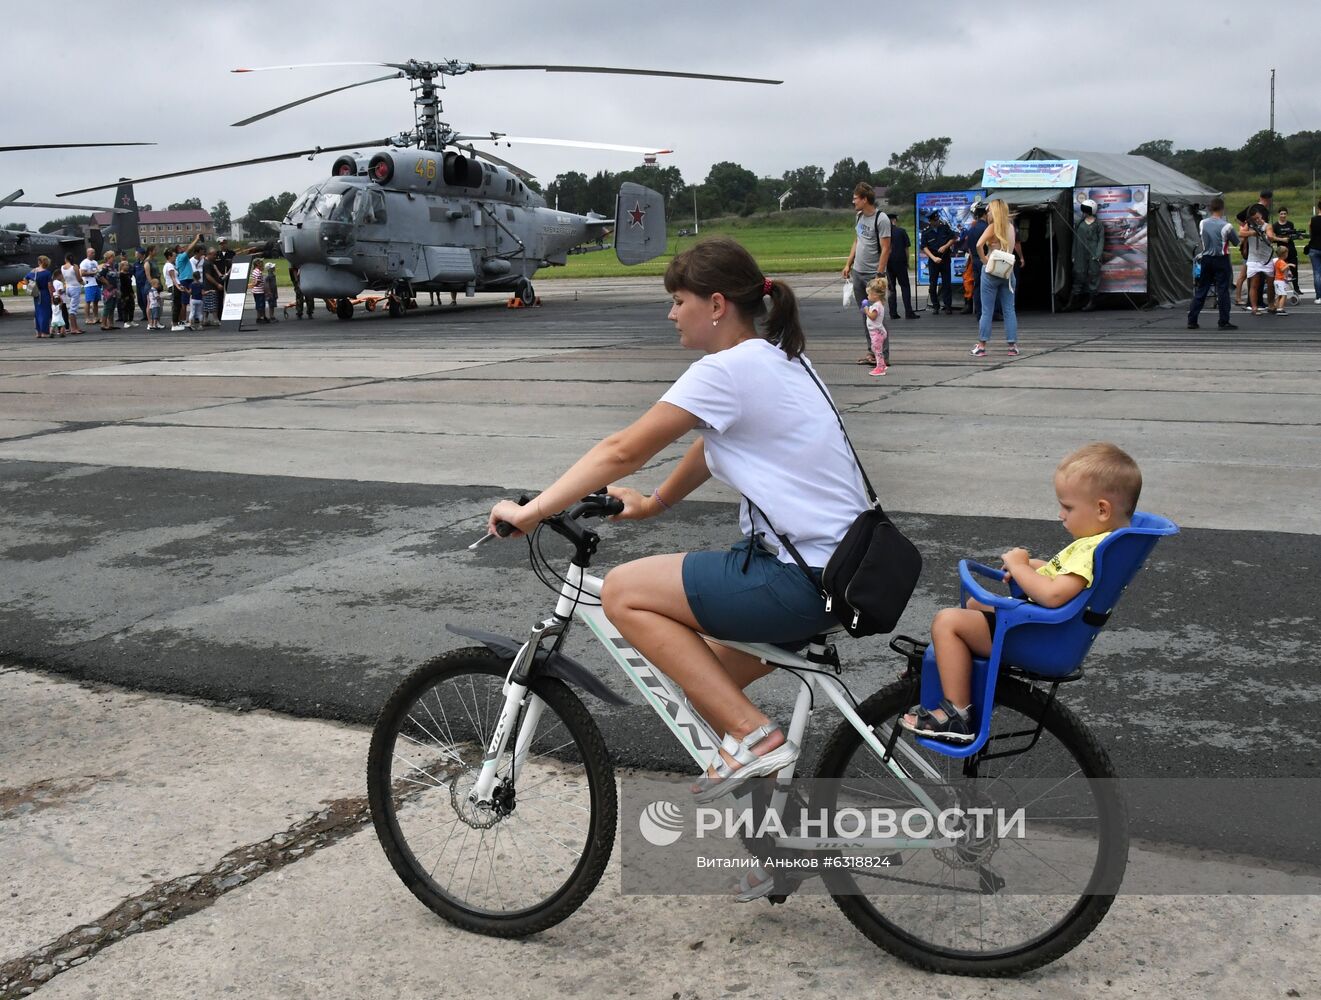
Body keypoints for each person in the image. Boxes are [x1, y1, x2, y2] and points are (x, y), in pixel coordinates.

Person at [486, 236, 868, 807]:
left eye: (677, 300)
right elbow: (714, 441)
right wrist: (654, 502)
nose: (670, 313)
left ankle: (757, 737)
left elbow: (621, 450)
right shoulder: (781, 357)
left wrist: (531, 510)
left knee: (624, 592)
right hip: (846, 569)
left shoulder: (727, 370)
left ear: (716, 306)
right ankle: (778, 850)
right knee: (705, 683)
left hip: (799, 578)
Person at [901, 442, 1142, 741]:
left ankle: (956, 714)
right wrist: (1030, 568)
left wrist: (1020, 568)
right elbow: (1064, 578)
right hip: (1049, 629)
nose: (1060, 514)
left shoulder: (1090, 548)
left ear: (1102, 509)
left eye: (1068, 507)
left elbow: (1053, 595)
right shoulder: (1103, 541)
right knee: (976, 605)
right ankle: (957, 676)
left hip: (1044, 638)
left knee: (947, 622)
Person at [842, 183, 891, 365]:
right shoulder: (859, 216)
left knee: (878, 316)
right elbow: (857, 240)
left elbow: (886, 248)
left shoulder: (881, 219)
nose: (853, 201)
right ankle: (872, 351)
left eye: (855, 198)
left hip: (873, 274)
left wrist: (879, 274)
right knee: (866, 315)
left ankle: (883, 356)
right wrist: (849, 263)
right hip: (858, 272)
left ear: (864, 199)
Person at [971, 199, 1023, 357]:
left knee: (987, 310)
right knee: (1009, 309)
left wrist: (984, 260)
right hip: (1007, 270)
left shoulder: (992, 227)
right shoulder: (1011, 227)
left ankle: (981, 346)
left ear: (992, 212)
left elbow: (979, 244)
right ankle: (1012, 346)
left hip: (991, 270)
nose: (987, 214)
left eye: (988, 211)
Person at [1186, 196, 1239, 331]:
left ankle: (1192, 319)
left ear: (1210, 208)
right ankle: (1223, 321)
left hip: (1206, 258)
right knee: (1222, 290)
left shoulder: (1203, 223)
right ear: (1222, 209)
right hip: (1221, 259)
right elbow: (1236, 241)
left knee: (1202, 288)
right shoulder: (1226, 226)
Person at [1235, 191, 1275, 309]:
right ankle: (1253, 302)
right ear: (1268, 199)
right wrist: (1249, 232)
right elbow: (1246, 228)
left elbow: (1238, 218)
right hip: (1254, 249)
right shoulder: (1261, 210)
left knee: (1246, 275)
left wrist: (1245, 228)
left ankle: (1239, 298)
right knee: (1252, 276)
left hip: (1251, 246)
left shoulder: (1251, 207)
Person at [1065, 199, 1104, 312]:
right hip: (1080, 253)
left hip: (1093, 253)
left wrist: (1098, 254)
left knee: (1093, 275)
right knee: (1078, 274)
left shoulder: (1098, 224)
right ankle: (1071, 303)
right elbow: (1075, 240)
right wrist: (1073, 254)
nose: (1084, 212)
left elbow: (1101, 240)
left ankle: (1091, 303)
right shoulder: (1079, 223)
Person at [920, 210, 957, 315]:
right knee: (933, 285)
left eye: (937, 219)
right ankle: (935, 306)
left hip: (945, 259)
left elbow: (953, 238)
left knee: (946, 284)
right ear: (930, 221)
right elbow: (924, 247)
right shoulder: (926, 232)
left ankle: (948, 306)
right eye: (935, 220)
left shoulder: (944, 228)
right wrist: (933, 258)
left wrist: (945, 246)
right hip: (933, 260)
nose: (937, 222)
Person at [885, 213, 919, 321]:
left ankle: (893, 312)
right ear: (895, 220)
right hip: (900, 262)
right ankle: (908, 311)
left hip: (888, 262)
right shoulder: (901, 231)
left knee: (891, 288)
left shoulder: (883, 233)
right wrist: (907, 262)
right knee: (905, 286)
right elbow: (906, 249)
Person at [960, 202, 988, 317]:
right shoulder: (987, 228)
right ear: (985, 214)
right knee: (988, 287)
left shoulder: (971, 229)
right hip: (985, 259)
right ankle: (991, 312)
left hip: (974, 260)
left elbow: (970, 249)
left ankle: (979, 312)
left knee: (977, 287)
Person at [860, 276, 889, 376]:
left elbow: (873, 316)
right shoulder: (878, 303)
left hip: (877, 332)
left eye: (869, 294)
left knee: (877, 350)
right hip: (877, 332)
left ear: (875, 295)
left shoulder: (876, 306)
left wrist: (866, 310)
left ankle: (880, 368)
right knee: (875, 348)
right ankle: (882, 364)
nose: (868, 296)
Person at [24, 255, 54, 339]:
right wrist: (52, 297)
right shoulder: (47, 273)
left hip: (36, 294)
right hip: (45, 293)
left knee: (38, 313)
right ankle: (45, 332)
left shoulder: (34, 271)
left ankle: (38, 332)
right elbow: (49, 286)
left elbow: (25, 279)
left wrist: (30, 285)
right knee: (45, 313)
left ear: (39, 262)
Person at [1273, 208, 1301, 295]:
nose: (1283, 215)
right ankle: (1281, 288)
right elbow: (1272, 238)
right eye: (1281, 214)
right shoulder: (1275, 225)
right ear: (1278, 214)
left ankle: (1296, 288)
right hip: (1281, 251)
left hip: (1291, 249)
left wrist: (1298, 236)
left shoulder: (1290, 224)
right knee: (1281, 269)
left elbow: (1293, 234)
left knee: (1294, 269)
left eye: (1285, 214)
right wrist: (1281, 239)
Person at [163, 245, 186, 330]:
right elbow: (173, 278)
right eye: (174, 256)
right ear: (169, 256)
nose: (175, 258)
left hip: (175, 286)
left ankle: (175, 322)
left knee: (178, 305)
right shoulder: (169, 266)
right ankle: (174, 324)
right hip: (173, 286)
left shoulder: (170, 265)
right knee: (176, 305)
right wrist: (178, 286)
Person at [60, 253, 83, 335]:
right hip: (75, 288)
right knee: (73, 309)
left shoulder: (62, 267)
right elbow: (79, 278)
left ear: (66, 259)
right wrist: (83, 283)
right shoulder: (75, 267)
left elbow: (63, 278)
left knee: (71, 307)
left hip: (68, 288)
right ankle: (73, 328)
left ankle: (76, 327)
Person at [80, 246, 101, 326]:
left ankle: (96, 317)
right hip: (89, 284)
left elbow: (97, 271)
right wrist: (93, 273)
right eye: (92, 253)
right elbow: (82, 273)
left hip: (96, 283)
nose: (93, 254)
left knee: (96, 301)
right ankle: (87, 318)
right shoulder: (84, 262)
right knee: (88, 301)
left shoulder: (95, 262)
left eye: (94, 252)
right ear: (88, 253)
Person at [98, 251, 119, 331]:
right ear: (108, 258)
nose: (114, 259)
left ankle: (111, 323)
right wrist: (107, 283)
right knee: (107, 306)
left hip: (114, 289)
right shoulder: (106, 267)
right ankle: (103, 324)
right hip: (108, 290)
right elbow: (99, 275)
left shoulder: (113, 267)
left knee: (112, 306)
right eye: (112, 257)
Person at [1271, 245, 1294, 315]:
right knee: (1283, 295)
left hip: (1279, 281)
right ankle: (1280, 309)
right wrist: (1288, 265)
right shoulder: (1281, 262)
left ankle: (1275, 307)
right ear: (1284, 254)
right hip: (1279, 281)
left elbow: (1283, 271)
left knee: (1279, 295)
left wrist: (1289, 274)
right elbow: (1282, 269)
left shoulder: (1279, 261)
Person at [1308, 199, 1321, 306]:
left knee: (1317, 273)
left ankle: (1319, 296)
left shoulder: (1313, 220)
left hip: (1314, 247)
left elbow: (1311, 233)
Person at [118, 259, 136, 327]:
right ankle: (125, 321)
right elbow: (122, 286)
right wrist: (125, 294)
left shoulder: (128, 274)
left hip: (130, 292)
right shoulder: (121, 275)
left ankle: (131, 320)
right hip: (124, 293)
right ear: (122, 266)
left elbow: (129, 285)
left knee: (131, 306)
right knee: (125, 307)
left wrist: (132, 293)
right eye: (126, 265)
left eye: (128, 265)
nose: (127, 266)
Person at [250, 259, 268, 323]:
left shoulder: (254, 271)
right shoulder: (259, 272)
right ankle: (260, 318)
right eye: (261, 263)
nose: (262, 265)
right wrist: (253, 285)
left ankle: (262, 317)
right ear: (258, 264)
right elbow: (257, 282)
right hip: (259, 291)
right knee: (261, 305)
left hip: (255, 291)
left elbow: (253, 280)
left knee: (258, 304)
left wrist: (253, 285)